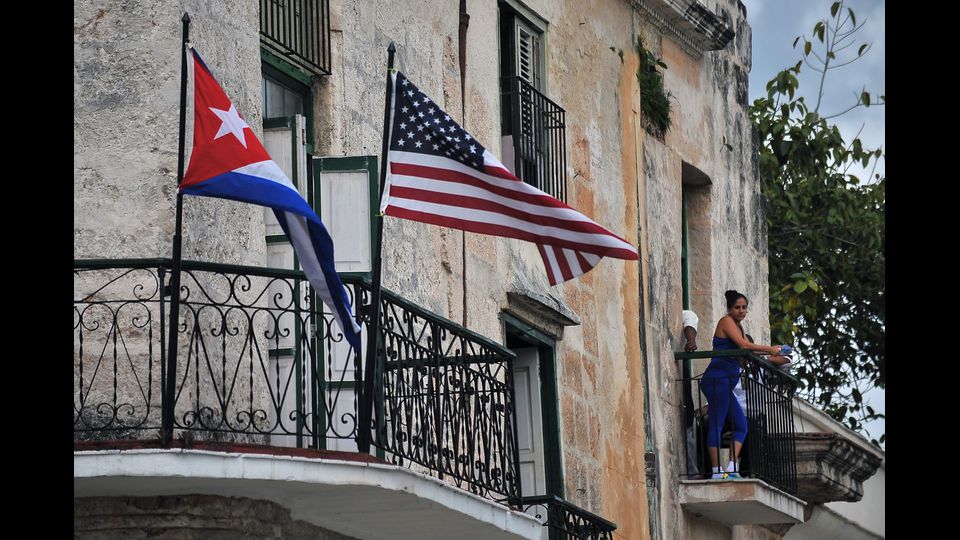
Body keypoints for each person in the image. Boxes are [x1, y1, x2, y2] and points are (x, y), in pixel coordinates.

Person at [702, 290, 784, 479]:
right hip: (716, 380)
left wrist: (773, 356)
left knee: (741, 425)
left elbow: (749, 353)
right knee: (717, 423)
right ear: (730, 309)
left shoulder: (739, 327)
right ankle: (716, 472)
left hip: (725, 384)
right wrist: (769, 348)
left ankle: (730, 469)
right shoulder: (726, 322)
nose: (741, 311)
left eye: (744, 307)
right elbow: (744, 346)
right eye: (737, 307)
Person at [681, 309, 702, 479]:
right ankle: (692, 470)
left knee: (688, 422)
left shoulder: (683, 315)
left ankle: (693, 470)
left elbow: (689, 317)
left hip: (682, 379)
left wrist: (691, 340)